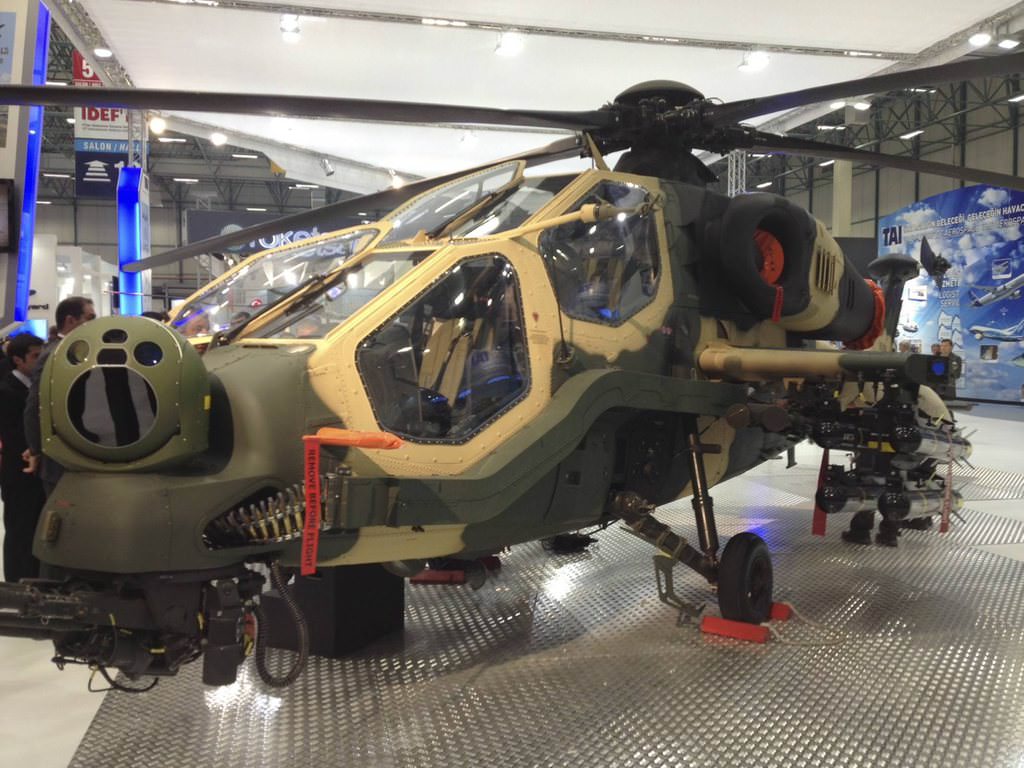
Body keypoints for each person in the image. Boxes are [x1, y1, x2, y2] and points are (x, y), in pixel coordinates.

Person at [22, 296, 97, 496]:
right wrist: (36, 449)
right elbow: (35, 405)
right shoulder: (56, 354)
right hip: (61, 462)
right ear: (71, 320)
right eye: (90, 318)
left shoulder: (73, 352)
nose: (94, 324)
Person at [0, 333, 47, 581]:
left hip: (34, 473)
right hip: (18, 473)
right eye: (35, 356)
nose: (40, 362)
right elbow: (13, 435)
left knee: (33, 530)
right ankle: (17, 583)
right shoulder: (6, 391)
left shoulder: (35, 387)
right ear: (18, 360)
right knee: (19, 532)